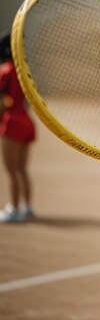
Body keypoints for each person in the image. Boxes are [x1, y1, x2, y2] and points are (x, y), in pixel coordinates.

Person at [0, 31, 36, 223]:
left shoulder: (6, 70)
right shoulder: (25, 70)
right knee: (22, 169)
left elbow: (1, 101)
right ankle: (27, 207)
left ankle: (13, 209)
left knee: (11, 170)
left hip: (12, 122)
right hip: (27, 121)